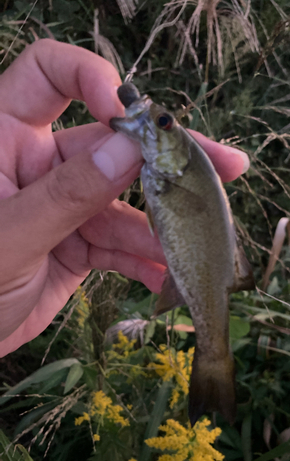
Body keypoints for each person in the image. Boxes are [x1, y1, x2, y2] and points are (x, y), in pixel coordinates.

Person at [0, 39, 249, 357]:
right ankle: (215, 355)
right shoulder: (170, 169)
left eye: (163, 123)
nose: (157, 121)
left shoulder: (176, 172)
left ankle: (215, 356)